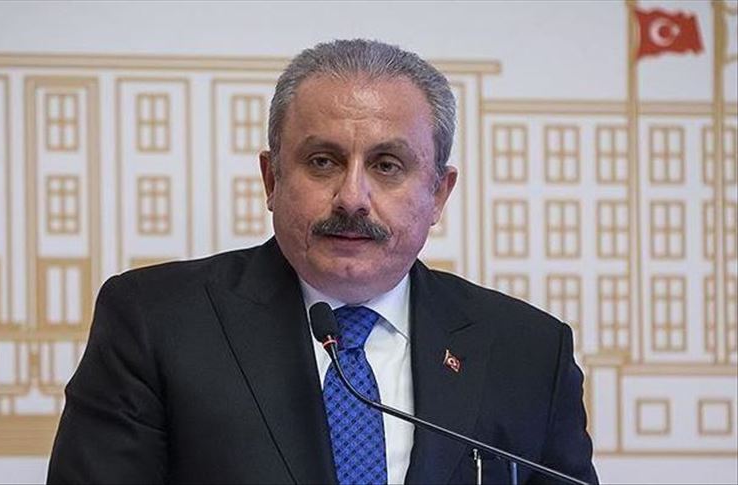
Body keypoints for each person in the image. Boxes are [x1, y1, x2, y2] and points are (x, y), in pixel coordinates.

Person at [47, 39, 598, 484]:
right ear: (271, 179)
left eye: (387, 165)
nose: (352, 197)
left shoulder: (528, 353)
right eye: (322, 161)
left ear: (438, 194)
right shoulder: (156, 322)